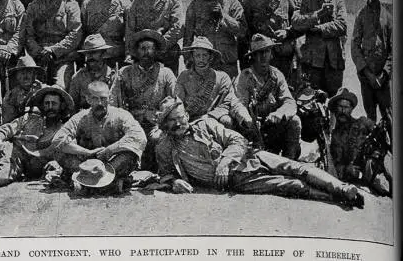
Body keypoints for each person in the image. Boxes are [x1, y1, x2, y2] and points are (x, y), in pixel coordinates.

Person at [154, 96, 364, 208]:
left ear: (187, 114)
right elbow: (164, 172)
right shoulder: (164, 147)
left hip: (251, 157)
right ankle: (338, 199)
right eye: (172, 120)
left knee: (296, 167)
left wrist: (225, 162)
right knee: (291, 185)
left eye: (181, 116)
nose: (179, 122)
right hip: (237, 181)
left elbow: (237, 139)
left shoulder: (205, 124)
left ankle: (342, 188)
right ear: (164, 124)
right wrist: (173, 182)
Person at [48, 81, 146, 193]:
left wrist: (110, 149)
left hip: (113, 163)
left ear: (109, 98)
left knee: (131, 154)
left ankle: (87, 185)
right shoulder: (80, 118)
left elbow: (139, 137)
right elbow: (57, 140)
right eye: (95, 98)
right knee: (58, 151)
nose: (100, 103)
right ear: (88, 99)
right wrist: (87, 152)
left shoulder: (121, 115)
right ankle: (110, 185)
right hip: (86, 165)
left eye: (103, 98)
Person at [110, 29, 176, 171]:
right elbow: (113, 102)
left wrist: (160, 118)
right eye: (143, 48)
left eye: (151, 48)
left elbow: (174, 103)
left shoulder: (166, 73)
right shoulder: (124, 73)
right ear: (136, 51)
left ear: (156, 51)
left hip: (156, 125)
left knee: (159, 139)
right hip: (131, 123)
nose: (147, 52)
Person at [235, 34, 301, 160]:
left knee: (295, 121)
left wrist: (280, 113)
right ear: (253, 56)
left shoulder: (276, 75)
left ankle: (290, 163)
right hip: (252, 131)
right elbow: (239, 104)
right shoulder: (245, 77)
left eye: (266, 52)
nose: (263, 57)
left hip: (272, 128)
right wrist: (247, 119)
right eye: (259, 53)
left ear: (271, 54)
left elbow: (290, 102)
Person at [292, 0, 347, 96]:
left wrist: (318, 29)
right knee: (312, 100)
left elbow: (342, 25)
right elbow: (296, 21)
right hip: (312, 63)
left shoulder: (337, 0)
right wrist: (317, 15)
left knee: (335, 101)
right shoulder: (306, 0)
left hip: (334, 62)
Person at [241, 0, 299, 82]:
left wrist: (287, 32)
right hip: (259, 59)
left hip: (283, 58)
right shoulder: (251, 0)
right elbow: (245, 33)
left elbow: (298, 26)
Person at [183, 0, 247, 78]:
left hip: (227, 63)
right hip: (203, 64)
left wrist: (223, 15)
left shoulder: (232, 3)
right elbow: (187, 37)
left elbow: (242, 31)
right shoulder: (195, 5)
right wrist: (188, 60)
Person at [24, 0, 82, 89]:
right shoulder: (34, 7)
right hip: (38, 58)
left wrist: (53, 50)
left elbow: (75, 34)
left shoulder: (71, 6)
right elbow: (28, 34)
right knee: (32, 90)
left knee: (60, 87)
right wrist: (39, 51)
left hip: (62, 58)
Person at [176, 36, 251, 129]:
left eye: (204, 55)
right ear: (192, 57)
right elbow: (178, 102)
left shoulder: (222, 77)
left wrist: (210, 116)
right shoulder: (184, 76)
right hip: (190, 120)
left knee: (227, 121)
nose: (201, 59)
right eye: (197, 55)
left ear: (210, 57)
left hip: (214, 117)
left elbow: (228, 102)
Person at [328, 88, 391, 196]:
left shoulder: (363, 122)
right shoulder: (333, 136)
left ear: (351, 109)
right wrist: (348, 169)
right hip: (361, 174)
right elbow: (333, 166)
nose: (343, 111)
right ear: (335, 109)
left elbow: (380, 133)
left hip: (377, 162)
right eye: (340, 107)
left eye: (346, 107)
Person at [127, 0, 184, 73]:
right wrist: (131, 52)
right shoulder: (137, 2)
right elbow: (130, 29)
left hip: (166, 49)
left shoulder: (172, 0)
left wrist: (160, 45)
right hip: (142, 50)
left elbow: (178, 27)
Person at [351, 0, 392, 123]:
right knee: (370, 120)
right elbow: (355, 46)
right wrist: (367, 73)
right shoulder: (361, 15)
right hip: (366, 77)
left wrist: (384, 74)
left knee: (389, 118)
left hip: (383, 79)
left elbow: (393, 51)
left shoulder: (388, 17)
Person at [80, 0, 131, 66]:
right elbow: (82, 32)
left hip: (116, 56)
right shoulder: (87, 4)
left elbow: (129, 33)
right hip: (93, 57)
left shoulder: (125, 4)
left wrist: (128, 55)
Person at [66, 34, 116, 112]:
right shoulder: (78, 77)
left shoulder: (113, 77)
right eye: (88, 53)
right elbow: (72, 106)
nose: (90, 56)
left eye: (94, 52)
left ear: (103, 53)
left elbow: (116, 105)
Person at [2, 55, 46, 123]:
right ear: (17, 76)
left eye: (29, 72)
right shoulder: (12, 94)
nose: (25, 76)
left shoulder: (44, 90)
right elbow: (8, 119)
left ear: (34, 75)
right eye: (22, 73)